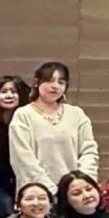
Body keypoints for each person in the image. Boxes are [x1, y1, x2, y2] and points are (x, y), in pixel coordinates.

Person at [8, 61, 100, 193]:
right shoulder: (23, 115)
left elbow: (89, 151)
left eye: (61, 82)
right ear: (37, 82)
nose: (55, 86)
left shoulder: (77, 114)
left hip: (75, 193)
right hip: (38, 194)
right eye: (49, 81)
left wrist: (81, 184)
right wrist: (50, 190)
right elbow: (23, 160)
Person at [0, 75, 32, 214]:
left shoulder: (28, 120)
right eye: (3, 92)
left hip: (22, 179)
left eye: (14, 92)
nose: (9, 96)